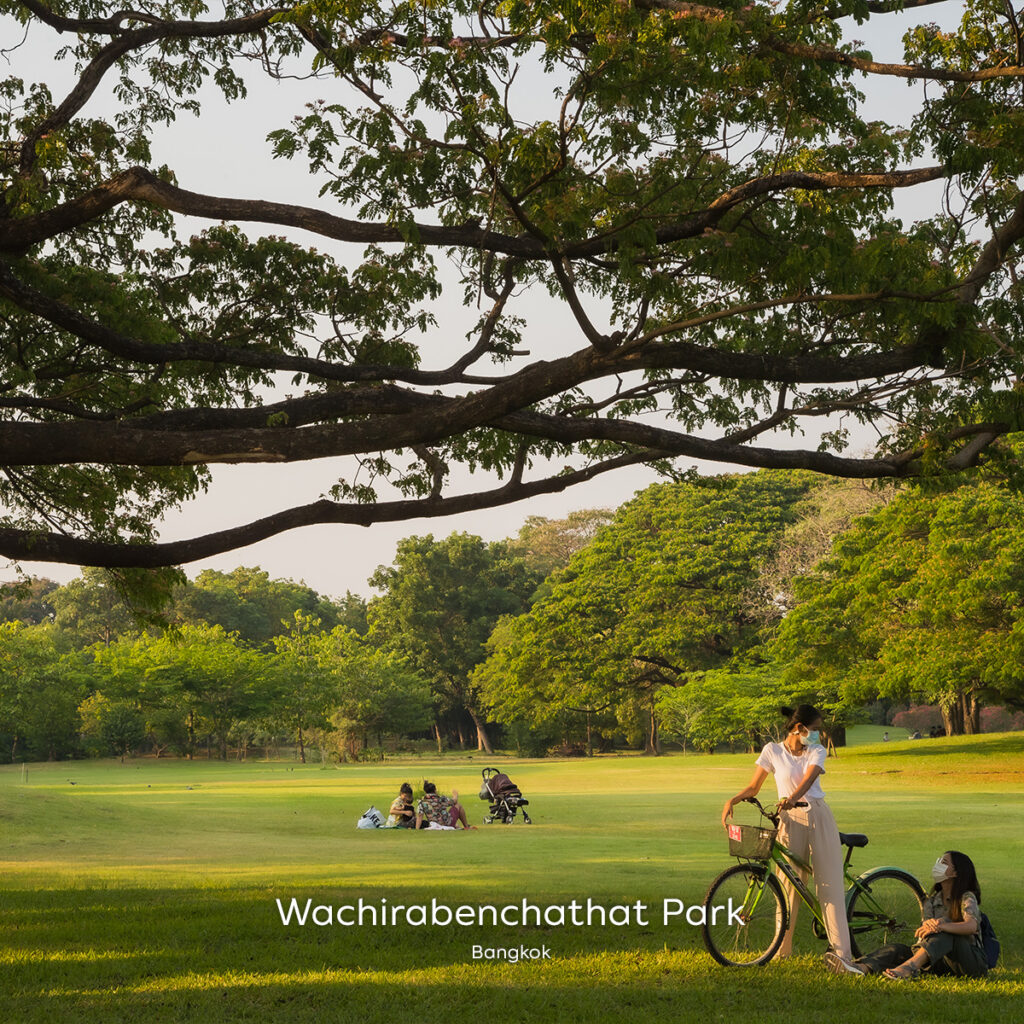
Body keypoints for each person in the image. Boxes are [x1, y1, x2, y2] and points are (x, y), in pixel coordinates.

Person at [721, 704, 862, 974]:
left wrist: (793, 798)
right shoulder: (772, 751)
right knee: (788, 886)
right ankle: (781, 950)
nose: (817, 734)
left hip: (817, 816)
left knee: (828, 885)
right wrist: (733, 799)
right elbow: (754, 786)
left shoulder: (816, 751)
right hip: (788, 821)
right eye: (815, 729)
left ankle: (843, 956)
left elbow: (809, 779)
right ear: (799, 728)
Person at [883, 851, 988, 980]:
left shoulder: (966, 897)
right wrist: (930, 925)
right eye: (938, 861)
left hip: (970, 964)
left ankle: (910, 968)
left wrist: (942, 925)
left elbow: (971, 926)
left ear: (956, 873)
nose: (937, 865)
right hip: (941, 962)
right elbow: (926, 933)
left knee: (947, 932)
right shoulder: (930, 901)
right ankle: (862, 967)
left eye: (943, 863)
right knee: (897, 950)